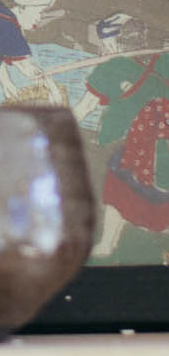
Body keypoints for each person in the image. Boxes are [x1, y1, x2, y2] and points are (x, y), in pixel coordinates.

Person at [71, 13, 169, 258]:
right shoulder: (163, 60)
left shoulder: (112, 67)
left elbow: (84, 108)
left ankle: (106, 244)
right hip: (162, 144)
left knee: (115, 192)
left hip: (126, 144)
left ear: (115, 42)